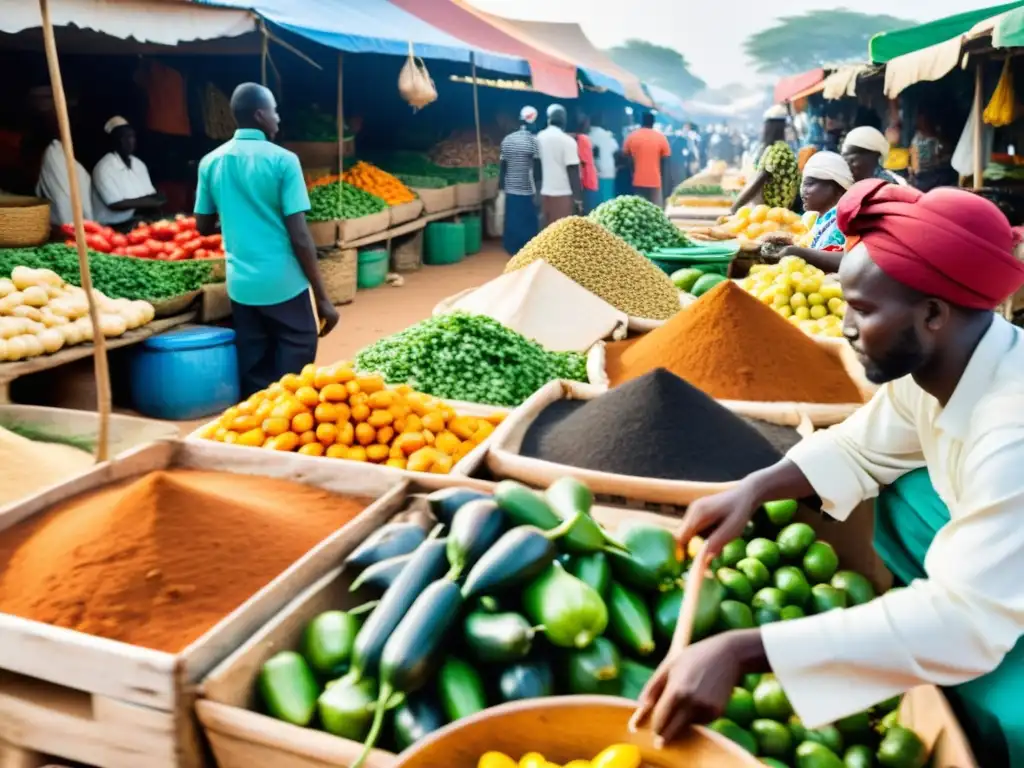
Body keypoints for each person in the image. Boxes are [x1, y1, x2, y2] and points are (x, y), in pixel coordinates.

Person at [632, 179, 1024, 767]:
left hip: (992, 597)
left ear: (934, 314)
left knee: (1004, 696)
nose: (843, 325)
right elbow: (864, 449)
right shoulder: (941, 370)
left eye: (861, 310)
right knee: (905, 488)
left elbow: (967, 616)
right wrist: (754, 488)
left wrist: (743, 651)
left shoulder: (1011, 430)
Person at [194, 83, 338, 399]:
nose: (278, 117)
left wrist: (238, 217)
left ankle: (258, 424)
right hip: (282, 281)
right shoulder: (284, 161)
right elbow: (300, 235)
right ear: (260, 115)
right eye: (274, 110)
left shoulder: (211, 162)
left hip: (242, 285)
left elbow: (203, 226)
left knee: (255, 364)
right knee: (297, 352)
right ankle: (286, 422)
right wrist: (323, 297)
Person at [777, 151, 854, 273]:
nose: (803, 191)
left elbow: (851, 262)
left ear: (837, 186)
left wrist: (799, 253)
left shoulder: (847, 218)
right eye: (802, 185)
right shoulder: (817, 219)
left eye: (809, 184)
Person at [31, 86, 93, 227]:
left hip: (82, 227)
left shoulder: (69, 157)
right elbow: (63, 202)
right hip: (67, 229)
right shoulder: (53, 154)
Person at [91, 117, 165, 227]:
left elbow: (151, 194)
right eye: (123, 138)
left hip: (135, 220)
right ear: (114, 140)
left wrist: (155, 200)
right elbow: (115, 204)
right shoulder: (104, 167)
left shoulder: (138, 164)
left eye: (131, 137)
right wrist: (151, 202)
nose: (129, 141)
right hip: (112, 226)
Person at [731, 106, 799, 213]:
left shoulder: (778, 151)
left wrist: (734, 208)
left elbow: (758, 181)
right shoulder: (778, 149)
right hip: (768, 211)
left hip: (769, 213)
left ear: (771, 128)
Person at [498, 106, 541, 256]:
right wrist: (538, 188)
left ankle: (510, 247)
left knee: (512, 218)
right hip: (527, 187)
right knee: (527, 219)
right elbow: (536, 168)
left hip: (511, 187)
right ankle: (526, 247)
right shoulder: (533, 141)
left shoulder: (507, 140)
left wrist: (502, 186)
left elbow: (503, 166)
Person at [536, 104, 582, 225]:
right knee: (561, 233)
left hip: (544, 193)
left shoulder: (539, 137)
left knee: (545, 232)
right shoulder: (568, 141)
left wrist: (536, 192)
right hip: (563, 194)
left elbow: (536, 166)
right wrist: (577, 199)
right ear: (564, 121)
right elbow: (573, 170)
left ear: (548, 119)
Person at [622, 111, 671, 206]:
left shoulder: (632, 137)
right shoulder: (661, 137)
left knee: (639, 209)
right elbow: (665, 160)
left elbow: (625, 156)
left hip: (637, 180)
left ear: (641, 122)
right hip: (655, 181)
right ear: (653, 123)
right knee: (655, 209)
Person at [841, 126, 907, 186]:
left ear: (874, 156)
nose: (846, 165)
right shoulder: (847, 184)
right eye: (844, 159)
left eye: (851, 160)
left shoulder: (889, 185)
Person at [910, 111, 956, 192]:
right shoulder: (917, 139)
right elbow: (915, 164)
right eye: (921, 120)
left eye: (925, 121)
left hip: (934, 173)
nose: (923, 123)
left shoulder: (936, 137)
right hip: (924, 176)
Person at [588, 113, 619, 208]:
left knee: (596, 203)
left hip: (595, 173)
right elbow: (616, 149)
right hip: (609, 171)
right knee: (608, 201)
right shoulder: (608, 135)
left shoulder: (589, 136)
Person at [573, 114, 599, 213]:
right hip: (589, 181)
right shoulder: (584, 139)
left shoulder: (582, 139)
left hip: (587, 182)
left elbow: (582, 162)